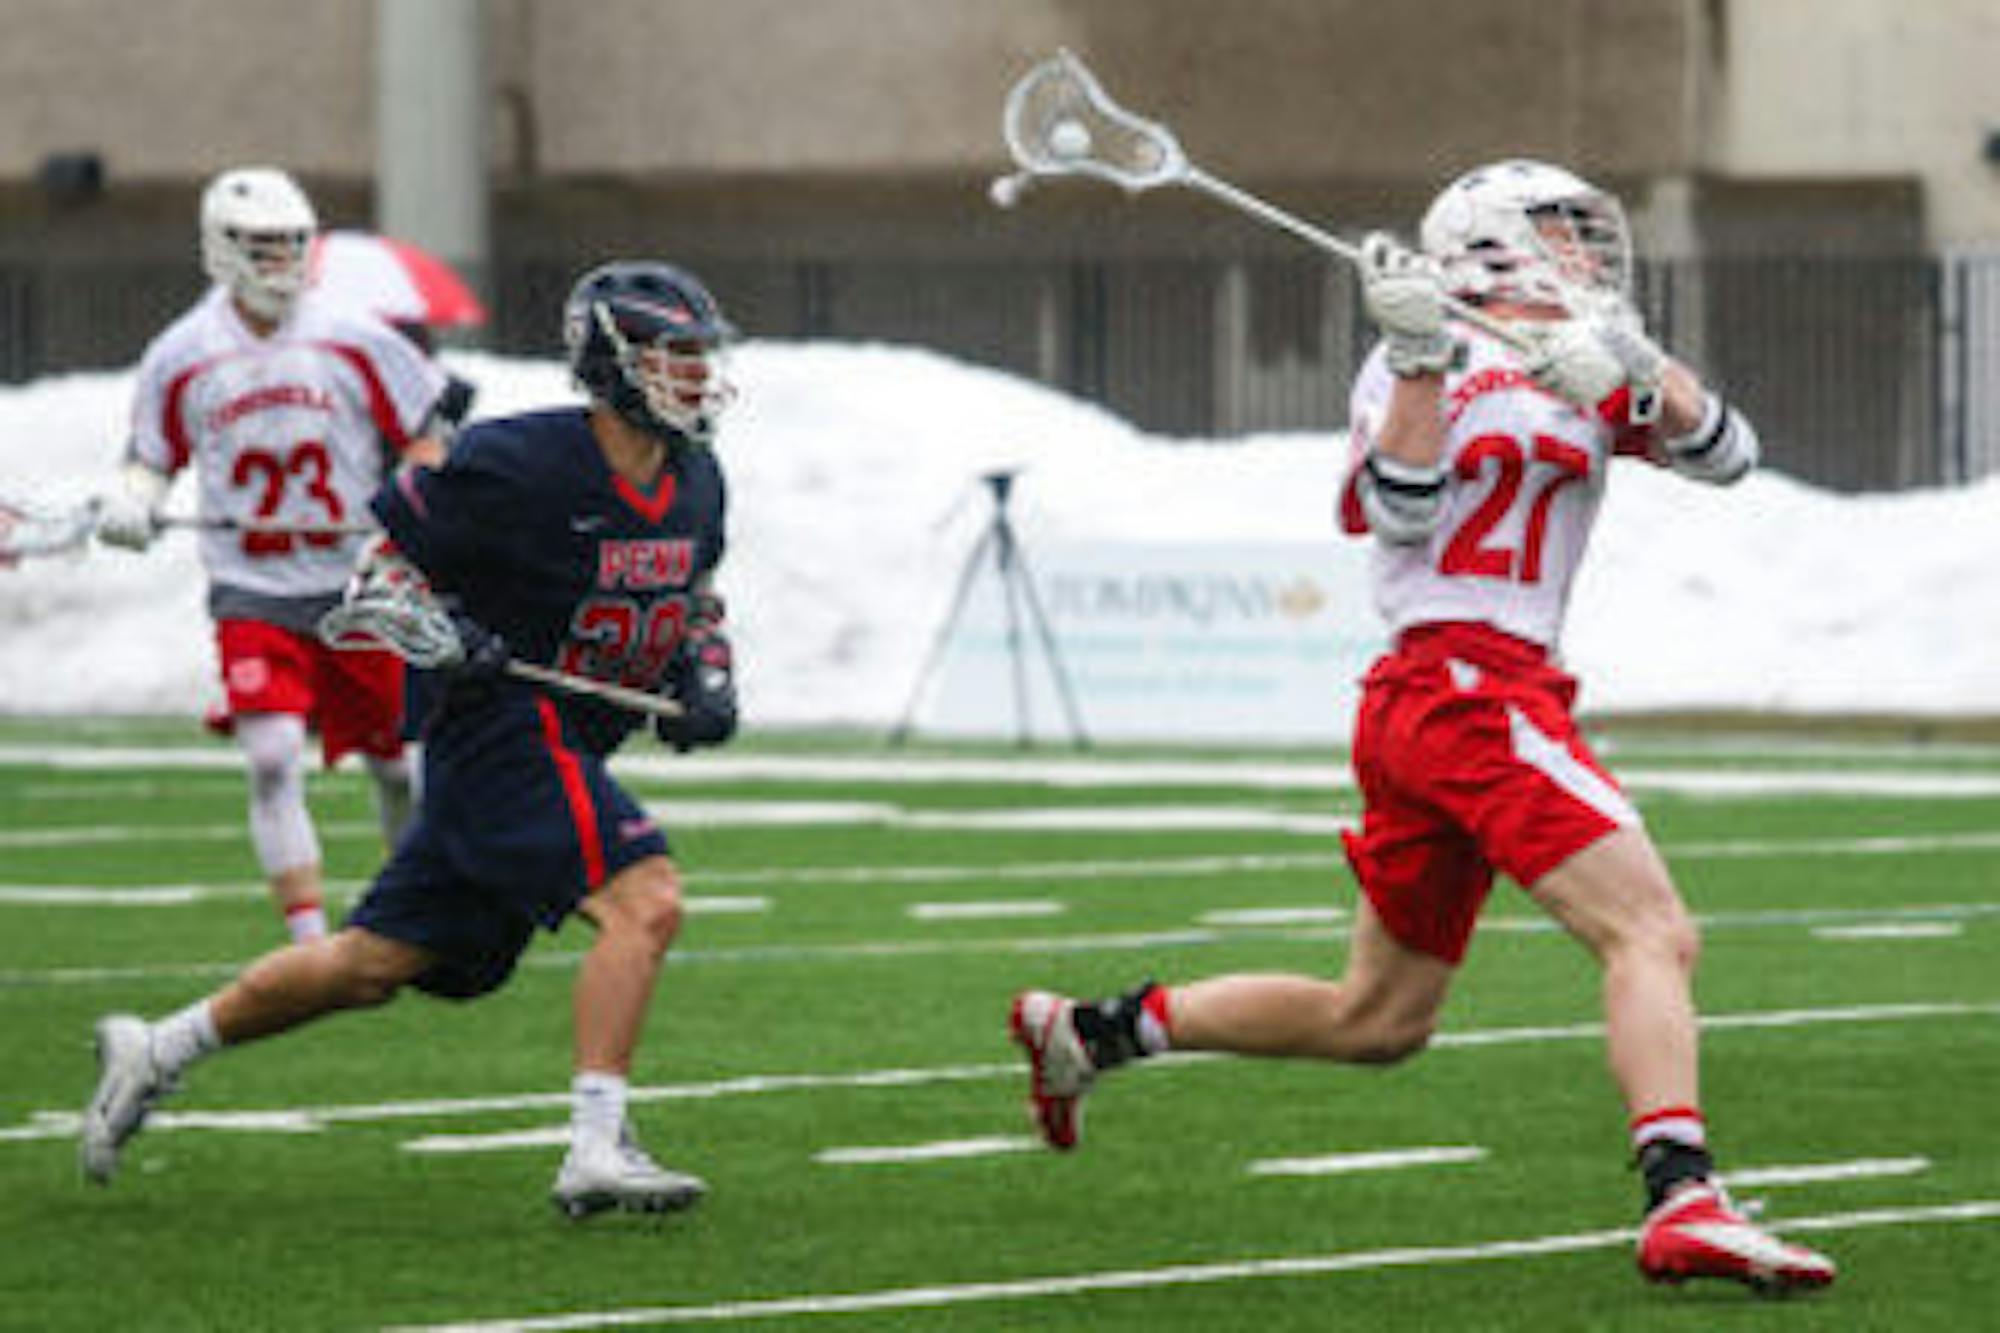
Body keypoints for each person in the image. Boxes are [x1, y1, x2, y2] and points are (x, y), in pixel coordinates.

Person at [1008, 160, 1837, 1295]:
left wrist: (1641, 369)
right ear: (1493, 246)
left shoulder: (1582, 359)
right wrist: (1414, 361)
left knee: (1377, 1017)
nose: (1590, 253)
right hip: (1458, 687)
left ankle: (1093, 1031)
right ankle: (1680, 1195)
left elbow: (1728, 455)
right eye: (1562, 233)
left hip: (1472, 699)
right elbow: (1393, 511)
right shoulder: (1418, 353)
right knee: (1652, 931)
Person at [80, 259, 744, 1219]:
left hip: (560, 744)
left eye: (699, 358)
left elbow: (693, 601)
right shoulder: (520, 462)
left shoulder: (696, 479)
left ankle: (159, 1046)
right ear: (613, 360)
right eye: (674, 355)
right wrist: (446, 634)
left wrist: (703, 676)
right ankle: (598, 1146)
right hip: (501, 732)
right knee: (647, 897)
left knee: (369, 964)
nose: (695, 375)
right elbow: (381, 574)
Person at [95, 166, 450, 943]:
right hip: (250, 584)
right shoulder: (181, 353)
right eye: (263, 246)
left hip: (357, 586)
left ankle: (413, 908)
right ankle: (309, 938)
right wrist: (136, 500)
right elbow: (151, 456)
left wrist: (417, 505)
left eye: (292, 245)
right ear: (221, 247)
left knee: (398, 766)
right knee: (273, 753)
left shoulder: (354, 337)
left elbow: (425, 432)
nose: (281, 262)